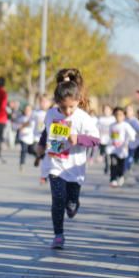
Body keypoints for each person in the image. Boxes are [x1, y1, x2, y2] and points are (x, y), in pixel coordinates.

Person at [33, 80, 100, 249]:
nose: (67, 111)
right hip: (55, 163)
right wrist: (41, 146)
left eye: (71, 107)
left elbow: (95, 140)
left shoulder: (83, 118)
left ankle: (74, 203)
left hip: (74, 167)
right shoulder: (51, 114)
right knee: (57, 199)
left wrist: (78, 139)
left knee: (70, 202)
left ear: (78, 101)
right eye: (63, 107)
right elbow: (47, 131)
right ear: (57, 102)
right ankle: (58, 235)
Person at [107, 106, 136, 188]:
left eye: (120, 115)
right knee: (113, 164)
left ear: (124, 116)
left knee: (120, 167)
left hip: (122, 150)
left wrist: (127, 142)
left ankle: (121, 176)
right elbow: (110, 136)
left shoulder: (125, 125)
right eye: (116, 115)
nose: (118, 117)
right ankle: (113, 179)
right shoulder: (112, 125)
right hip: (113, 149)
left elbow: (132, 134)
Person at [13, 103, 36, 169]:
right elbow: (15, 126)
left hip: (30, 137)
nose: (27, 111)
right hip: (23, 137)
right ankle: (21, 163)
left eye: (29, 110)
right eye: (26, 110)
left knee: (31, 150)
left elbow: (34, 127)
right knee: (23, 150)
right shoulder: (20, 118)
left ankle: (38, 157)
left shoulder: (33, 119)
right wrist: (19, 127)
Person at [96, 104, 116, 175]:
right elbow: (96, 129)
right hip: (103, 140)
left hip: (111, 140)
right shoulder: (101, 119)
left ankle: (111, 167)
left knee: (110, 154)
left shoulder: (113, 119)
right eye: (105, 110)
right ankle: (107, 166)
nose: (106, 111)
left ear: (111, 111)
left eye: (108, 110)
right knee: (106, 154)